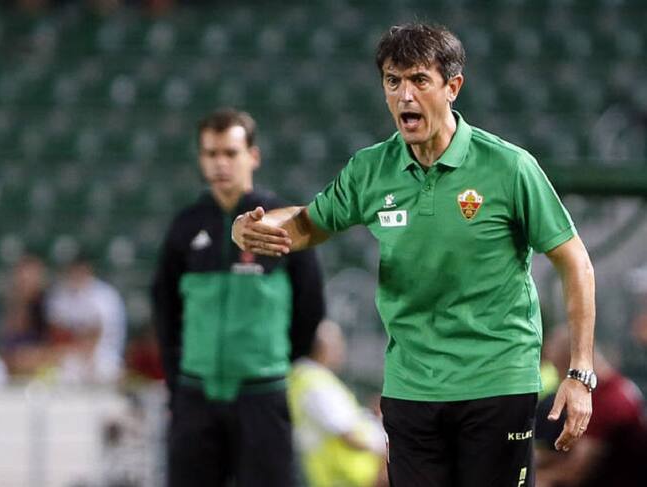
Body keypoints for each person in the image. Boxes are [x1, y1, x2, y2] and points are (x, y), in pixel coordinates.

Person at [232, 23, 596, 487]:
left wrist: (580, 373)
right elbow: (308, 222)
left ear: (453, 87)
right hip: (411, 388)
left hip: (497, 384)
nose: (405, 95)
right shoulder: (371, 169)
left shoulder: (509, 167)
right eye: (393, 81)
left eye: (419, 80)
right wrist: (253, 227)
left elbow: (575, 261)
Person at [151, 108, 325, 487]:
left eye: (230, 153)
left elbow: (311, 306)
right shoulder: (185, 225)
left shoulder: (283, 223)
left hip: (263, 396)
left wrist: (276, 364)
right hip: (196, 396)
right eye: (211, 154)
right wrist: (179, 381)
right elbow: (165, 308)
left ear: (253, 156)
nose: (220, 163)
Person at [535, 326, 647, 487]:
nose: (559, 378)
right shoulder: (616, 387)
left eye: (558, 367)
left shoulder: (608, 401)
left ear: (571, 363)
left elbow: (574, 474)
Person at [288, 319, 388, 487]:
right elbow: (347, 434)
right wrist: (384, 448)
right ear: (322, 347)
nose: (342, 349)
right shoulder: (317, 384)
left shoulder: (307, 378)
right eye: (338, 342)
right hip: (350, 476)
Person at [46, 253, 127, 384]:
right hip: (70, 356)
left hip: (103, 355)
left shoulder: (106, 297)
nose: (76, 275)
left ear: (88, 271)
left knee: (106, 371)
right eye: (73, 271)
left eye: (80, 270)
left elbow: (97, 336)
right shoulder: (60, 295)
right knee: (58, 373)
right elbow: (57, 334)